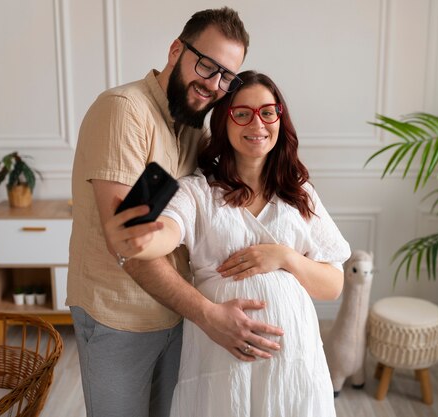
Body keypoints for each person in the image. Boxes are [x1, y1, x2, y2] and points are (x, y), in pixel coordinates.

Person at [67, 8, 283, 417]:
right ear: (175, 50)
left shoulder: (192, 128)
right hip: (120, 318)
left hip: (175, 316)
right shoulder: (123, 110)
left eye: (227, 77)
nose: (215, 85)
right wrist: (209, 315)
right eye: (207, 65)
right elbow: (126, 245)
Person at [127, 71, 351, 416]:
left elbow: (333, 284)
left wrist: (285, 257)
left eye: (267, 112)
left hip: (294, 362)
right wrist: (145, 235)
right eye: (242, 113)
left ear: (280, 117)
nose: (256, 123)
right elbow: (167, 231)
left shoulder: (299, 194)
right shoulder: (197, 190)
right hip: (220, 356)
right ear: (224, 121)